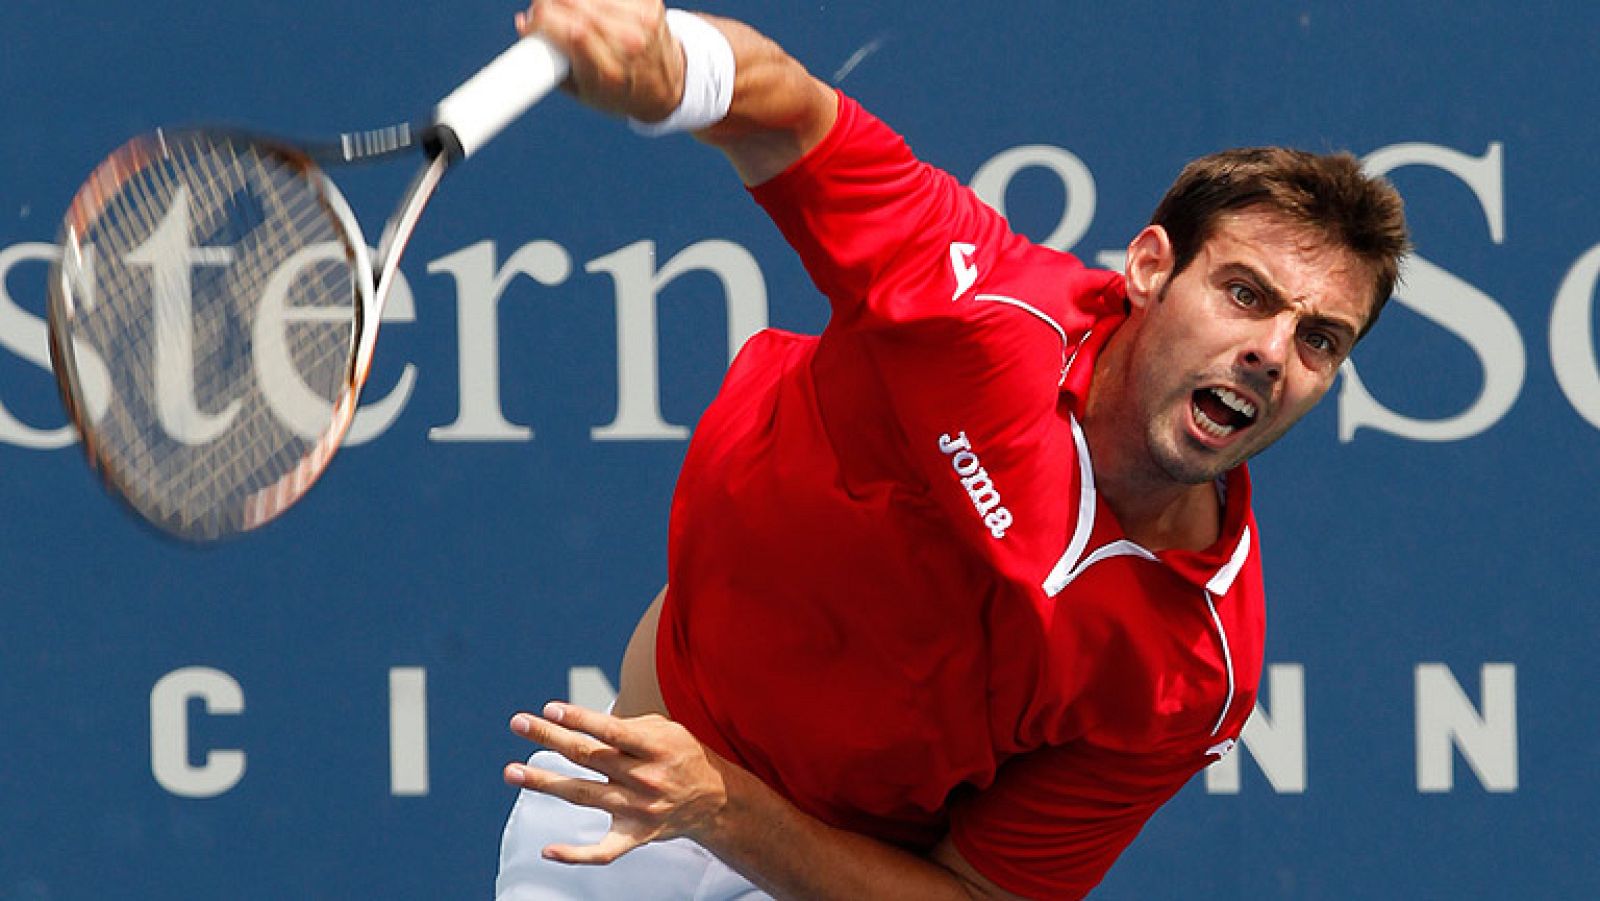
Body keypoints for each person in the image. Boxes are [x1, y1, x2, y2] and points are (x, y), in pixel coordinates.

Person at [494, 2, 1409, 898]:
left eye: (1320, 339)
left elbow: (977, 895)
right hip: (615, 805)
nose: (1272, 353)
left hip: (817, 874)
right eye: (1246, 294)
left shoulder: (1197, 665)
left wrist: (722, 808)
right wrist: (667, 57)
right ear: (1149, 268)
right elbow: (790, 115)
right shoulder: (976, 308)